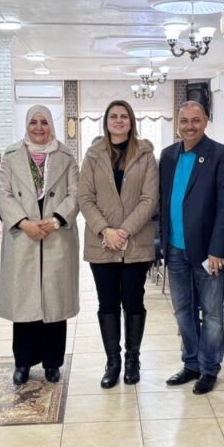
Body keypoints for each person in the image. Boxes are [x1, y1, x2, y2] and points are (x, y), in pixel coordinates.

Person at [0, 105, 80, 384]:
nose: (39, 127)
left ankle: (52, 363)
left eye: (44, 122)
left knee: (55, 304)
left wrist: (56, 220)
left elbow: (76, 193)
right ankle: (23, 362)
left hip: (56, 236)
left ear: (51, 125)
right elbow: (3, 193)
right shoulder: (11, 155)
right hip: (24, 236)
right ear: (27, 125)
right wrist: (24, 223)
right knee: (25, 303)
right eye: (34, 122)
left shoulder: (65, 156)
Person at [78, 100, 158, 388]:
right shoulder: (93, 155)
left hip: (136, 244)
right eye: (113, 116)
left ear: (132, 121)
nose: (119, 120)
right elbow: (85, 197)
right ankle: (112, 362)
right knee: (108, 303)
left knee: (134, 302)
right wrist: (105, 230)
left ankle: (132, 359)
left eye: (124, 116)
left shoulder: (146, 154)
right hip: (102, 244)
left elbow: (149, 199)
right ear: (106, 122)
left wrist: (123, 231)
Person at [160, 100, 224, 395]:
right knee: (183, 311)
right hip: (174, 248)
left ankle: (209, 368)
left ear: (206, 121)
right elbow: (163, 199)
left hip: (208, 252)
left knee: (212, 314)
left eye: (196, 120)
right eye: (184, 121)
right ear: (177, 123)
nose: (189, 126)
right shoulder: (168, 155)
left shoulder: (221, 155)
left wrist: (218, 250)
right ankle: (191, 363)